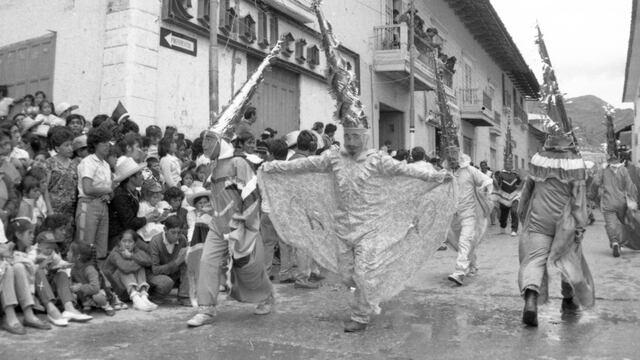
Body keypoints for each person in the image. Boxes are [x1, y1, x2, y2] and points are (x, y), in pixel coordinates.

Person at [260, 125, 453, 332]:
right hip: (342, 228)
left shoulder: (377, 160)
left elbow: (406, 171)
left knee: (364, 271)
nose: (351, 141)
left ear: (365, 137)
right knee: (347, 276)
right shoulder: (334, 158)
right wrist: (273, 167)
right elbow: (305, 165)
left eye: (355, 136)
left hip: (370, 227)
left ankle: (360, 315)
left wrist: (437, 177)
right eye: (348, 136)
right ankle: (367, 293)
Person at [186, 129, 275, 327]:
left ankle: (266, 296)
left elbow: (251, 196)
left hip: (240, 226)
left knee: (248, 268)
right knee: (207, 262)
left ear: (221, 141)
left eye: (209, 139)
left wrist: (242, 224)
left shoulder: (239, 163)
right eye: (203, 140)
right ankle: (206, 308)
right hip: (217, 226)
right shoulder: (213, 165)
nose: (204, 145)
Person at [518, 133, 595, 327]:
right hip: (565, 222)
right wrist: (580, 227)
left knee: (534, 259)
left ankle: (531, 299)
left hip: (538, 219)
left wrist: (522, 216)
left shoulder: (538, 161)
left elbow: (526, 192)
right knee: (568, 259)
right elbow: (579, 202)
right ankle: (568, 300)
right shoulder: (576, 165)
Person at [445, 151, 493, 286]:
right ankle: (473, 264)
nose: (452, 161)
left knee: (464, 240)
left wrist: (485, 191)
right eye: (450, 159)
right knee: (460, 242)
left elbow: (486, 180)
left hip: (469, 214)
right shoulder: (446, 173)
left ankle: (460, 271)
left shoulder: (470, 170)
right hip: (453, 216)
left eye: (454, 158)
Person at [76, 125, 116, 263]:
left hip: (103, 205)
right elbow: (87, 188)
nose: (107, 146)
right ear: (94, 144)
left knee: (100, 249)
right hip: (88, 204)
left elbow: (110, 191)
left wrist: (108, 194)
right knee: (85, 246)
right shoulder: (88, 162)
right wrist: (107, 190)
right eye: (103, 142)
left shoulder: (105, 164)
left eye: (108, 142)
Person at [593, 154, 638, 257]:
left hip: (608, 203)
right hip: (621, 203)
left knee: (610, 224)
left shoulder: (604, 170)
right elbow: (630, 186)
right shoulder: (623, 170)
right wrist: (634, 201)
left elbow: (596, 182)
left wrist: (591, 196)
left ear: (608, 162)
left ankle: (614, 242)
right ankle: (620, 243)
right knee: (621, 223)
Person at [103, 230, 157, 311]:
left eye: (130, 241)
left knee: (140, 267)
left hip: (128, 289)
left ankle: (143, 296)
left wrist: (132, 256)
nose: (127, 244)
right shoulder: (115, 252)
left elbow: (149, 261)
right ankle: (136, 299)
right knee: (125, 269)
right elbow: (125, 268)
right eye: (124, 241)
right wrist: (139, 261)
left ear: (135, 243)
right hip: (115, 290)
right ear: (119, 242)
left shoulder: (135, 251)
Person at [108, 156, 154, 251]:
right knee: (151, 252)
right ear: (131, 178)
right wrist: (147, 218)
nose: (143, 176)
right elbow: (129, 222)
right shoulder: (120, 196)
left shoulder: (133, 192)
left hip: (131, 233)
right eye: (140, 173)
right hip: (120, 237)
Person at [45, 126, 78, 249]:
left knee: (67, 241)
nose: (70, 148)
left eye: (71, 144)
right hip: (54, 209)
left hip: (69, 212)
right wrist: (49, 210)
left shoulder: (75, 164)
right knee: (52, 241)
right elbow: (45, 189)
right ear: (57, 148)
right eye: (66, 145)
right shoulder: (50, 163)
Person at [148, 216, 190, 306]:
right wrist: (177, 262)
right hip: (156, 276)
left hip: (173, 274)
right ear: (165, 229)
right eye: (173, 232)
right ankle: (154, 297)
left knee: (188, 261)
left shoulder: (182, 239)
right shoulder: (155, 241)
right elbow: (155, 270)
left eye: (179, 233)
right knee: (166, 282)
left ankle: (184, 296)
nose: (176, 236)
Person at [69, 242, 116, 316]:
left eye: (70, 251)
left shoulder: (89, 269)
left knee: (97, 296)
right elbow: (74, 282)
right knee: (75, 292)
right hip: (86, 294)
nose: (67, 253)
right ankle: (87, 305)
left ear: (78, 256)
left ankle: (106, 305)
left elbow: (95, 288)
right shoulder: (74, 268)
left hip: (98, 292)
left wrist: (80, 287)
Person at [185, 187, 213, 306]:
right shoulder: (191, 214)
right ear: (195, 205)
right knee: (195, 268)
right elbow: (192, 228)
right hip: (196, 242)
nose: (202, 205)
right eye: (200, 203)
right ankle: (195, 293)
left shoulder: (211, 213)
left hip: (210, 241)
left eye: (205, 203)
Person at [493, 157, 522, 236]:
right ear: (504, 165)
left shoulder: (516, 174)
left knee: (514, 211)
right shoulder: (501, 174)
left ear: (512, 165)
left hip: (514, 196)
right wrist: (494, 182)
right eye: (506, 163)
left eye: (509, 164)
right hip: (504, 196)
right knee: (503, 214)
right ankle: (503, 226)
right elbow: (498, 185)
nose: (508, 165)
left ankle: (514, 229)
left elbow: (520, 183)